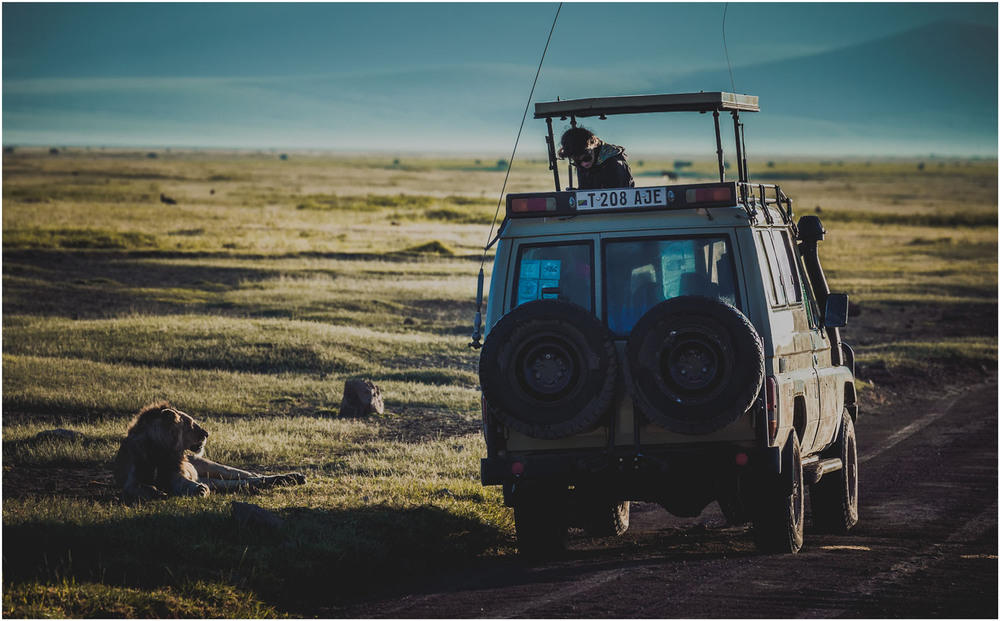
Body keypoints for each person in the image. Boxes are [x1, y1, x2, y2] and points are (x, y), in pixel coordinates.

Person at [558, 127, 635, 190]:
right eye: (577, 162)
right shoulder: (582, 165)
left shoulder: (614, 164)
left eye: (587, 158)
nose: (584, 164)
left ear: (593, 147)